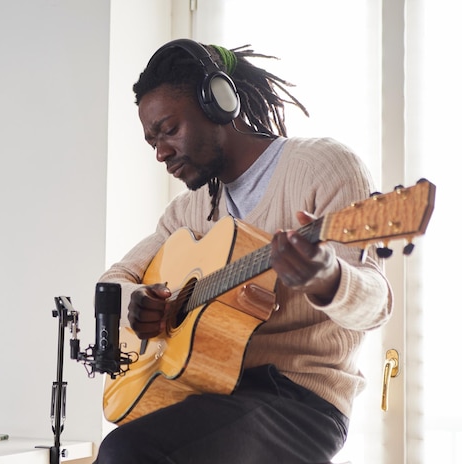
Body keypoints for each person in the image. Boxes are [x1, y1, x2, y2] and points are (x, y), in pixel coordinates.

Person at [93, 39, 393, 464]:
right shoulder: (189, 210)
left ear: (218, 105)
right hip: (209, 390)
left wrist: (328, 278)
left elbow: (376, 304)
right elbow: (113, 280)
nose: (160, 153)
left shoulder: (322, 168)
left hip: (300, 401)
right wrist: (134, 303)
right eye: (152, 141)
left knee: (128, 450)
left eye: (169, 130)